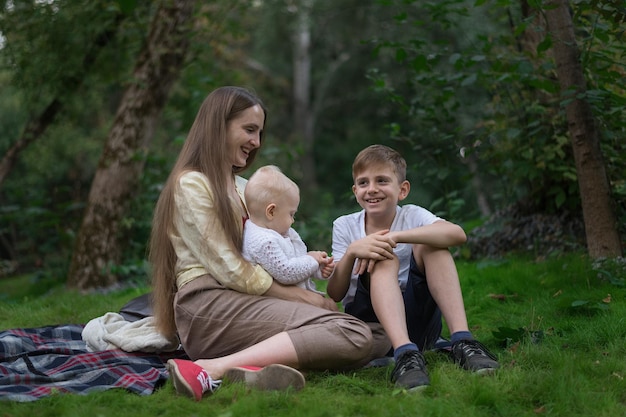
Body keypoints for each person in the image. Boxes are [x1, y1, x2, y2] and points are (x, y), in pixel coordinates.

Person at [148, 86, 375, 402]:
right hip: (210, 305)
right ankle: (209, 368)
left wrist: (307, 280)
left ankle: (253, 368)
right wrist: (299, 297)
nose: (256, 141)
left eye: (259, 132)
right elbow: (229, 268)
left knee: (374, 334)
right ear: (218, 126)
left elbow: (271, 247)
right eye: (249, 129)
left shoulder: (244, 186)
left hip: (246, 301)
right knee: (353, 334)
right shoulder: (192, 184)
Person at [327, 144, 499, 392]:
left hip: (419, 322)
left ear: (402, 189)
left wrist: (397, 237)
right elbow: (335, 293)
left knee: (433, 245)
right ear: (355, 191)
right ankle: (405, 355)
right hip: (371, 323)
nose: (372, 189)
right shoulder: (345, 225)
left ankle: (464, 341)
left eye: (382, 180)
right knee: (383, 256)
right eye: (363, 183)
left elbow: (457, 234)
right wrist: (354, 251)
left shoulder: (412, 215)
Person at [242, 165, 334, 294]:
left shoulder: (278, 231)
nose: (293, 220)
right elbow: (287, 272)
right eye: (291, 214)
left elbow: (297, 261)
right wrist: (312, 260)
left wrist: (318, 268)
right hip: (277, 303)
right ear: (271, 212)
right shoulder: (263, 242)